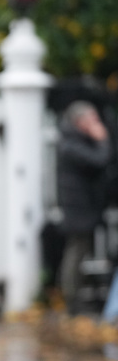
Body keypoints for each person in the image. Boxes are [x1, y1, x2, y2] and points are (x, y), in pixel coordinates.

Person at [56, 100, 113, 315]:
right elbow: (100, 160)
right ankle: (72, 301)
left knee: (80, 251)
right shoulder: (72, 144)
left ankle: (75, 298)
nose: (98, 124)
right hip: (78, 208)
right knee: (76, 253)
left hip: (84, 207)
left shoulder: (73, 141)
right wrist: (103, 139)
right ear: (80, 122)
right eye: (93, 119)